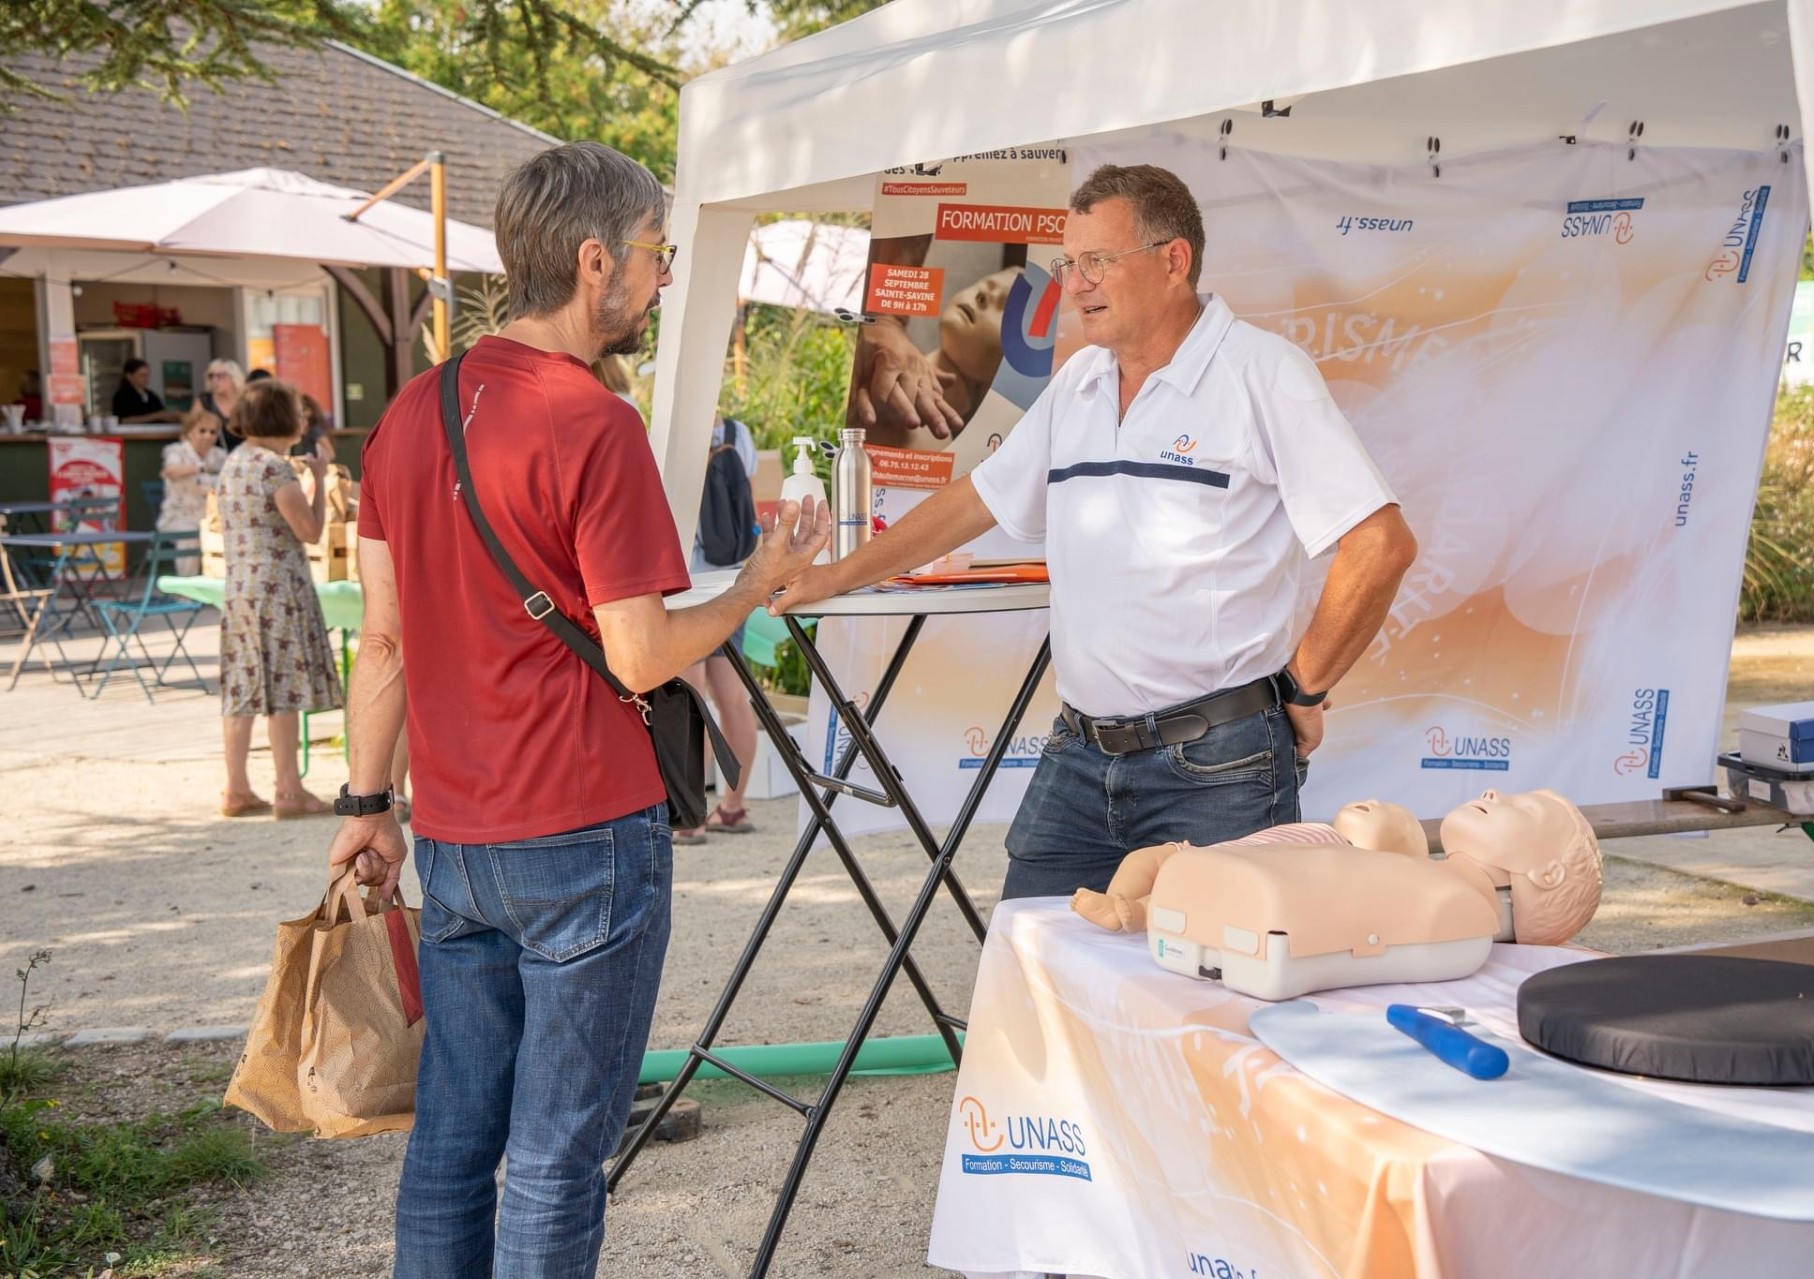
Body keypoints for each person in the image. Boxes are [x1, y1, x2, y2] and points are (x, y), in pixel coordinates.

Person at [321, 140, 827, 1277]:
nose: (661, 279)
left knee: (454, 1135)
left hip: (454, 832)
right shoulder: (591, 420)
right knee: (555, 1151)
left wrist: (365, 798)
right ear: (595, 261)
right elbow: (642, 656)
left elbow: (385, 637)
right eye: (657, 254)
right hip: (584, 830)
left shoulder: (413, 410)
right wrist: (752, 586)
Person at [777, 163, 1420, 900]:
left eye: (1097, 262)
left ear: (1173, 260)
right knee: (1035, 971)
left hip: (1219, 767)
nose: (1074, 284)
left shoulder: (1261, 374)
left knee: (1212, 992)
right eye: (1068, 263)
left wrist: (1305, 688)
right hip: (1081, 756)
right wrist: (832, 576)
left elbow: (1380, 544)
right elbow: (972, 502)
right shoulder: (1079, 382)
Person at [214, 379, 342, 819]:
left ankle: (236, 788)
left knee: (243, 685)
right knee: (281, 687)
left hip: (240, 587)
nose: (304, 420)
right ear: (282, 418)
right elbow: (309, 531)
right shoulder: (274, 468)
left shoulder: (234, 462)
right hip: (278, 588)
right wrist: (321, 479)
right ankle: (288, 789)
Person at [673, 410, 763, 843]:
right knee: (733, 699)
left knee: (692, 700)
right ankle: (733, 806)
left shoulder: (671, 437)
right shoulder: (738, 433)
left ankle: (691, 817)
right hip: (732, 579)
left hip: (688, 583)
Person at [857, 265, 1019, 449]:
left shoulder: (931, 442)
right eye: (986, 285)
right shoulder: (877, 360)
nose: (982, 296)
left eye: (1008, 308)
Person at [157, 406, 226, 573]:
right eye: (202, 431)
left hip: (211, 516)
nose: (207, 436)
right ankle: (186, 593)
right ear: (189, 433)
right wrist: (200, 468)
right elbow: (171, 470)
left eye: (212, 432)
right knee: (192, 533)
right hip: (179, 516)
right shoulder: (176, 451)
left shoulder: (219, 455)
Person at [111, 358, 181, 424]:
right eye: (142, 375)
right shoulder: (121, 396)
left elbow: (161, 414)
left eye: (148, 375)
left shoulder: (151, 396)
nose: (146, 379)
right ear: (129, 376)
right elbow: (123, 420)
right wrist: (156, 415)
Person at [200, 359, 246, 451]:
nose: (214, 380)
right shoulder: (205, 401)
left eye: (220, 376)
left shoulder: (246, 400)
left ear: (234, 377)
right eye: (211, 376)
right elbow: (189, 431)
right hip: (216, 456)